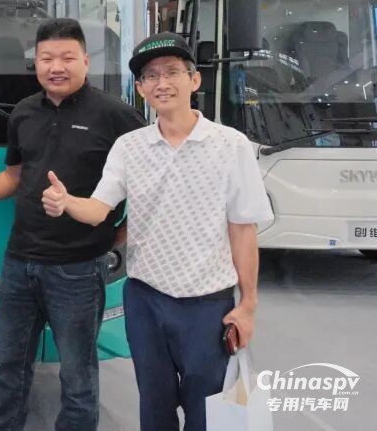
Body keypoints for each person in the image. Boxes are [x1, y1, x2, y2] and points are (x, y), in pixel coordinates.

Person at [42, 32, 273, 431]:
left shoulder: (230, 145)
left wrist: (248, 304)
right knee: (154, 402)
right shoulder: (129, 147)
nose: (162, 83)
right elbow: (98, 209)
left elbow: (242, 229)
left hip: (207, 305)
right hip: (145, 300)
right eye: (151, 76)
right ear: (140, 88)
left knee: (208, 406)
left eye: (171, 72)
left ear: (194, 79)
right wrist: (67, 202)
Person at [0, 18, 145, 431]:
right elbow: (15, 176)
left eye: (67, 57)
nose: (56, 66)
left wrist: (118, 236)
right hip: (19, 262)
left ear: (85, 61)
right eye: (46, 58)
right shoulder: (23, 113)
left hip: (78, 268)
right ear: (35, 63)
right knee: (8, 364)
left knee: (77, 375)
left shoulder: (116, 116)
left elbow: (149, 184)